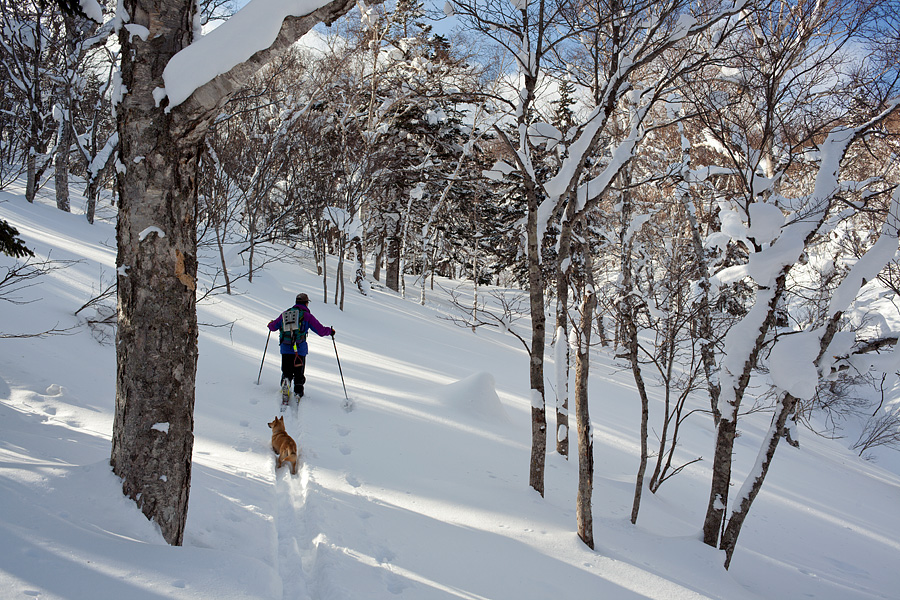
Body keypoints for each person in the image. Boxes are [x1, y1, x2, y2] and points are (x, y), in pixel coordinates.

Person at [267, 292, 335, 399]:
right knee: (299, 374)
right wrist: (330, 331)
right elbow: (320, 330)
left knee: (286, 371)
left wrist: (270, 324)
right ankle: (298, 392)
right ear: (306, 303)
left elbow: (273, 327)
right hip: (300, 349)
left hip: (285, 348)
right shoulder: (307, 316)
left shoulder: (285, 314)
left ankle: (286, 382)